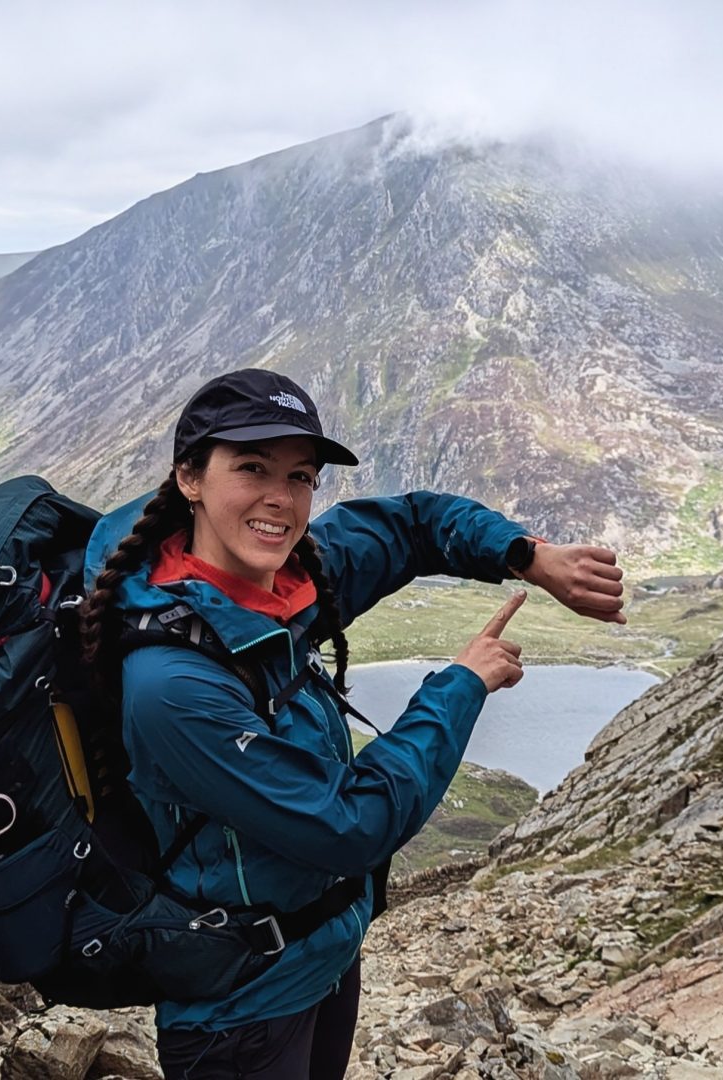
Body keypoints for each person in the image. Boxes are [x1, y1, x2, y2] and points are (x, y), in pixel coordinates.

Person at [80, 368, 626, 1079]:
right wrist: (462, 684)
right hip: (240, 1006)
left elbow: (411, 525)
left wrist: (526, 556)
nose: (281, 499)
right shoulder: (170, 687)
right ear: (190, 477)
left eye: (301, 476)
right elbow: (348, 827)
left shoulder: (289, 576)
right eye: (251, 468)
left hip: (322, 954)